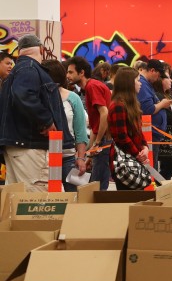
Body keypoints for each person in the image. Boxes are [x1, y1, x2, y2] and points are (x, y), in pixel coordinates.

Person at [0, 35, 63, 191]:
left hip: (20, 146)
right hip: (30, 146)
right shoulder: (29, 68)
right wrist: (47, 120)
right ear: (41, 49)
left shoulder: (18, 71)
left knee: (20, 199)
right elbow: (23, 94)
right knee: (40, 200)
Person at [66, 55, 113, 190]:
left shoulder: (92, 86)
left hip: (104, 139)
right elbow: (96, 123)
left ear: (81, 73)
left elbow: (104, 113)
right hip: (102, 138)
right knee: (98, 182)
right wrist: (90, 149)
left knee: (97, 185)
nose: (67, 75)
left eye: (70, 72)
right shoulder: (92, 86)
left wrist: (97, 142)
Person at [40, 60, 88, 191]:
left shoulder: (73, 98)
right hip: (44, 158)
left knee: (73, 199)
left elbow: (80, 132)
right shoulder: (38, 98)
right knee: (48, 199)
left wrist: (81, 158)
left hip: (68, 157)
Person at [107, 67, 150, 190]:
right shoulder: (118, 106)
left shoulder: (131, 105)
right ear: (129, 83)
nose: (140, 83)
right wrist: (138, 154)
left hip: (133, 157)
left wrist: (145, 147)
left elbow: (138, 131)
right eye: (137, 80)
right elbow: (121, 136)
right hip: (124, 162)